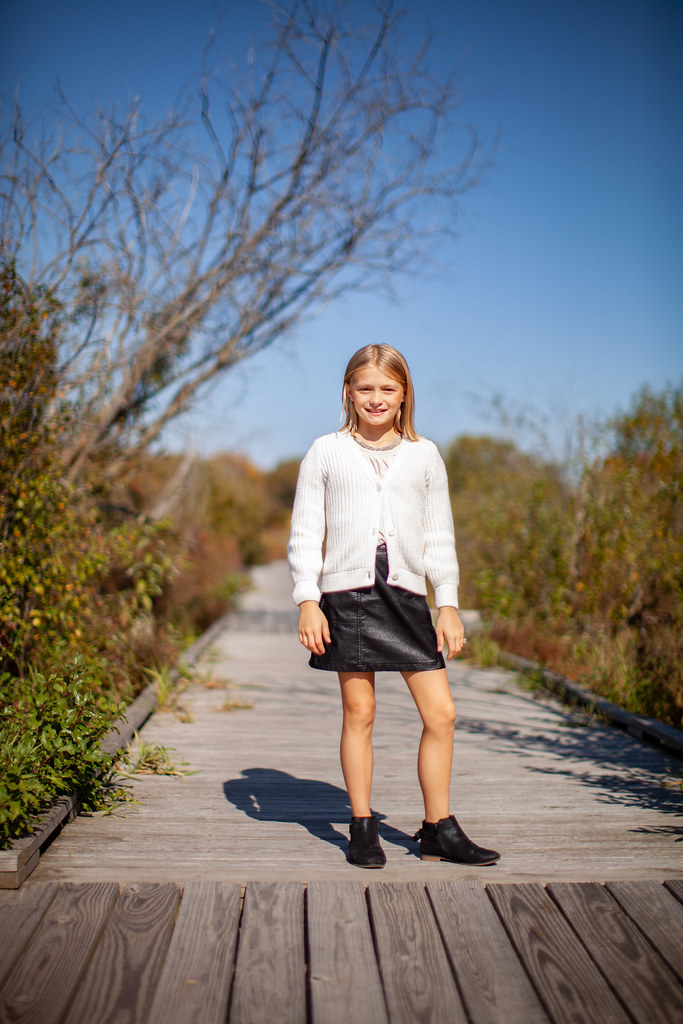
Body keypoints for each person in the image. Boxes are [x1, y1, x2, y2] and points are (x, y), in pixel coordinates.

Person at [288, 344, 500, 869]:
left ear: (404, 393)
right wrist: (307, 600)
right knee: (361, 710)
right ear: (348, 392)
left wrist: (447, 603)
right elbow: (305, 533)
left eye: (387, 389)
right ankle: (363, 828)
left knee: (442, 713)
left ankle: (438, 827)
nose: (376, 399)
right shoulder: (324, 452)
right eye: (365, 388)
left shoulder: (425, 454)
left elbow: (438, 535)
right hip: (347, 596)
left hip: (407, 595)